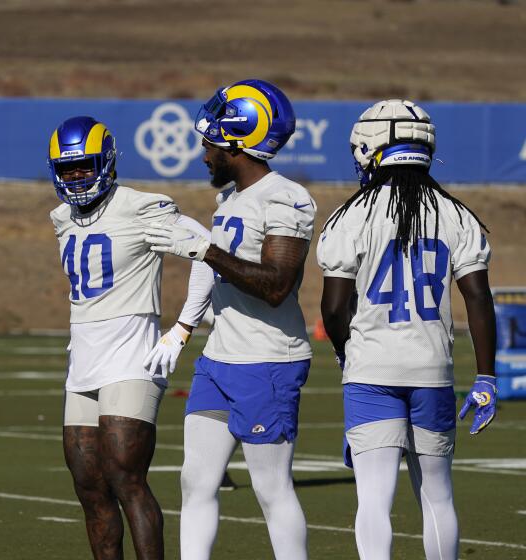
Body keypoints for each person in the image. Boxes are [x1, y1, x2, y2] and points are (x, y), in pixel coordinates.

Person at [317, 99, 496, 560]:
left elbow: (334, 308)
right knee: (437, 495)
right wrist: (486, 376)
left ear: (368, 148)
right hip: (431, 368)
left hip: (372, 370)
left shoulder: (351, 215)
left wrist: (345, 353)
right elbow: (477, 298)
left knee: (374, 498)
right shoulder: (457, 215)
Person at [144, 79, 313, 560]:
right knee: (195, 481)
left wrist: (208, 251)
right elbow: (210, 270)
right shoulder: (231, 199)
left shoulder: (287, 197)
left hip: (267, 361)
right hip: (219, 359)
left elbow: (276, 284)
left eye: (210, 142)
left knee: (270, 487)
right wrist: (182, 328)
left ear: (238, 140)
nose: (203, 154)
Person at [48, 116, 209, 560]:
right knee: (89, 486)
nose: (76, 175)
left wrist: (182, 327)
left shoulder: (143, 206)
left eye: (84, 165)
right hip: (81, 365)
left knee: (126, 479)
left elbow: (207, 251)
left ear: (107, 161)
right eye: (67, 168)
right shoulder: (61, 217)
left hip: (130, 359)